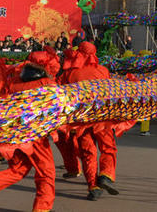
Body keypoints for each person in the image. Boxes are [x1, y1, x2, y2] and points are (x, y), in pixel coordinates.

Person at [0, 50, 59, 212]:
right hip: (35, 136)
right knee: (46, 172)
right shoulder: (47, 85)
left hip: (14, 134)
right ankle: (42, 208)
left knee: (19, 168)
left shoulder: (13, 81)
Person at [63, 41, 118, 201]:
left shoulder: (69, 73)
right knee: (108, 148)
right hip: (101, 118)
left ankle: (93, 186)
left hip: (81, 120)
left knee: (88, 153)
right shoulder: (103, 70)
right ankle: (106, 175)